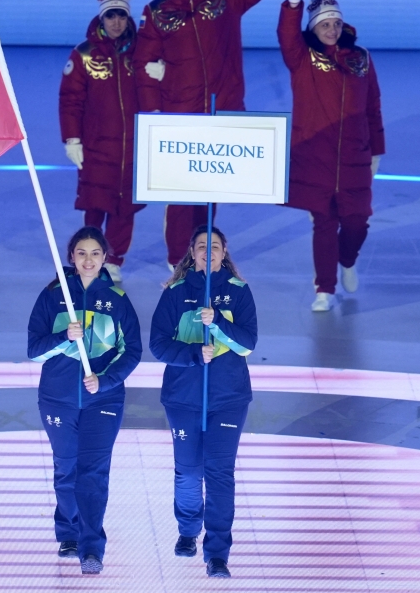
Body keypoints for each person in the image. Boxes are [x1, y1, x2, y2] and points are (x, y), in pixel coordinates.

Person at [134, 0, 290, 268]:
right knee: (179, 196)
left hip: (223, 114)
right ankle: (177, 262)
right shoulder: (157, 12)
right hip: (179, 116)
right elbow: (143, 63)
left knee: (208, 195)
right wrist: (152, 112)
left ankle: (201, 258)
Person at [27, 226, 143, 575]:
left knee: (92, 472)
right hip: (57, 399)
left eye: (95, 253)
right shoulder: (52, 295)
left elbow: (133, 351)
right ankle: (68, 532)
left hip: (103, 400)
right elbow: (33, 351)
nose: (88, 260)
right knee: (67, 470)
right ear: (71, 257)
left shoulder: (118, 299)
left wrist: (105, 380)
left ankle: (92, 546)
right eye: (81, 253)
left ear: (105, 258)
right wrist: (65, 336)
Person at [149, 226, 258, 578]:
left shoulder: (239, 292)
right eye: (201, 246)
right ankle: (187, 529)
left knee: (220, 474)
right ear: (192, 253)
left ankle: (217, 553)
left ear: (224, 251)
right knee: (189, 470)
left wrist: (220, 324)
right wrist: (196, 353)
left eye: (214, 246)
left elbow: (246, 345)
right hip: (184, 399)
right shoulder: (175, 293)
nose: (207, 251)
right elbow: (159, 345)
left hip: (228, 398)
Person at [275, 0, 386, 311]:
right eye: (325, 24)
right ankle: (324, 288)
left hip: (354, 154)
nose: (332, 29)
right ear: (313, 27)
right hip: (315, 155)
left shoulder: (361, 59)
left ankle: (348, 260)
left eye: (336, 23)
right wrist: (293, 3)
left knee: (357, 220)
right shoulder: (302, 58)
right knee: (324, 222)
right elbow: (286, 36)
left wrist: (377, 150)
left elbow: (373, 106)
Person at [59, 0, 146, 284]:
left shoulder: (141, 50)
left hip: (133, 147)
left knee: (125, 208)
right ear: (101, 18)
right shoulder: (83, 55)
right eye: (110, 16)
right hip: (97, 147)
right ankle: (88, 256)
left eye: (121, 15)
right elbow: (70, 100)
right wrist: (72, 138)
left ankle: (115, 259)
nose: (116, 22)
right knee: (95, 205)